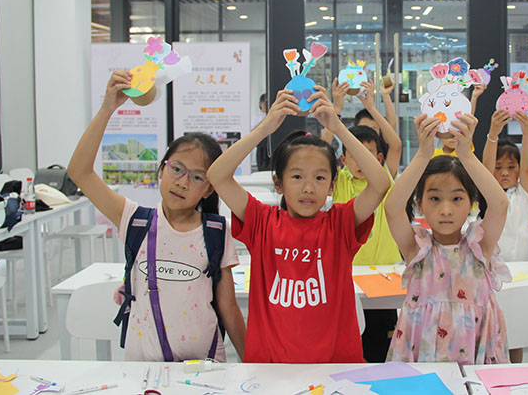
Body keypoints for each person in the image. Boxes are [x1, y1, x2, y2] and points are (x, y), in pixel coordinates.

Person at [67, 71, 245, 362]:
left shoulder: (216, 231)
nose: (182, 182)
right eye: (177, 169)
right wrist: (107, 108)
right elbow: (80, 172)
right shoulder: (134, 220)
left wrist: (254, 367)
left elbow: (229, 308)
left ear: (209, 188)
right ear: (162, 169)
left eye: (197, 177)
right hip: (145, 371)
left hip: (207, 370)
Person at [206, 87, 391, 363]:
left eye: (319, 178)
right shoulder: (262, 222)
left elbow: (380, 184)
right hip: (272, 370)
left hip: (334, 368)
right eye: (296, 177)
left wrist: (337, 127)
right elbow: (217, 175)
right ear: (278, 183)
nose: (308, 188)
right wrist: (265, 128)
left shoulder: (340, 224)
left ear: (332, 185)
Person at [384, 112, 511, 365]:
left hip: (475, 361)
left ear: (471, 203)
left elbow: (500, 204)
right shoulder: (417, 248)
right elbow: (392, 207)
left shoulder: (479, 246)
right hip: (424, 364)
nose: (445, 210)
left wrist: (466, 154)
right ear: (420, 203)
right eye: (434, 198)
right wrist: (423, 153)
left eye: (456, 198)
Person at [333, 124, 401, 362]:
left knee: (381, 349)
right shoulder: (339, 181)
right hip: (348, 275)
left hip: (384, 275)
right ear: (343, 160)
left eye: (367, 154)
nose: (360, 162)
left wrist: (372, 106)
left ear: (379, 158)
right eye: (354, 155)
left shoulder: (384, 181)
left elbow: (396, 145)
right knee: (350, 346)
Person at [482, 109, 528, 262]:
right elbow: (486, 166)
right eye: (498, 167)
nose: (505, 173)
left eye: (511, 167)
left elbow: (527, 167)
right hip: (492, 265)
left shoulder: (523, 194)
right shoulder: (489, 194)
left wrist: (527, 132)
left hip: (523, 264)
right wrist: (493, 134)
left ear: (518, 169)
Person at [252, 93, 270, 171]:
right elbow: (253, 130)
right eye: (264, 103)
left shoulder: (272, 114)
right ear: (260, 103)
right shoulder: (256, 116)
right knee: (261, 166)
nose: (265, 105)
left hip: (269, 142)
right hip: (260, 143)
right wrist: (265, 120)